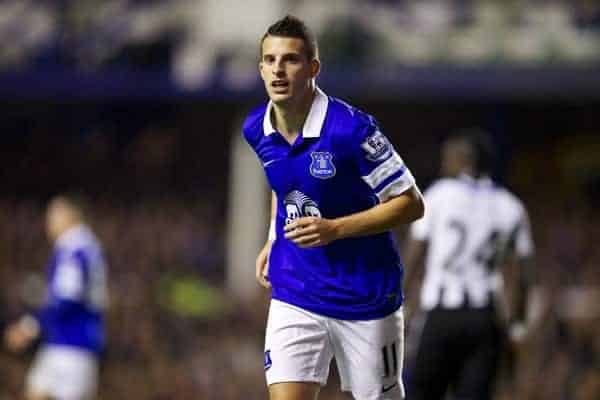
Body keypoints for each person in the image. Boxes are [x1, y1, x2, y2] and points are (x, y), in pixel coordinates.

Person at [243, 15, 424, 400]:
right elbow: (284, 183)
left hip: (366, 296)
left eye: (290, 59)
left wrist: (335, 229)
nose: (278, 69)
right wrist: (273, 238)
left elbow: (410, 204)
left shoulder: (351, 130)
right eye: (270, 60)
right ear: (260, 68)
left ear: (313, 68)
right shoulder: (256, 128)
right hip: (296, 290)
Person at [403, 130, 536, 400]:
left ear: (464, 159)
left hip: (442, 313)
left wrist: (398, 306)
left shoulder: (439, 195)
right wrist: (517, 328)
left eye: (448, 157)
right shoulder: (511, 205)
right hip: (485, 318)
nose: (443, 163)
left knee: (419, 392)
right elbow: (524, 274)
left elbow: (413, 256)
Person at [4, 194, 108, 400]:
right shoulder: (86, 246)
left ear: (69, 216)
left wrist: (29, 327)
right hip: (67, 342)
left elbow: (67, 298)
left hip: (71, 344)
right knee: (35, 391)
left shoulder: (74, 249)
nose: (48, 222)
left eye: (52, 215)